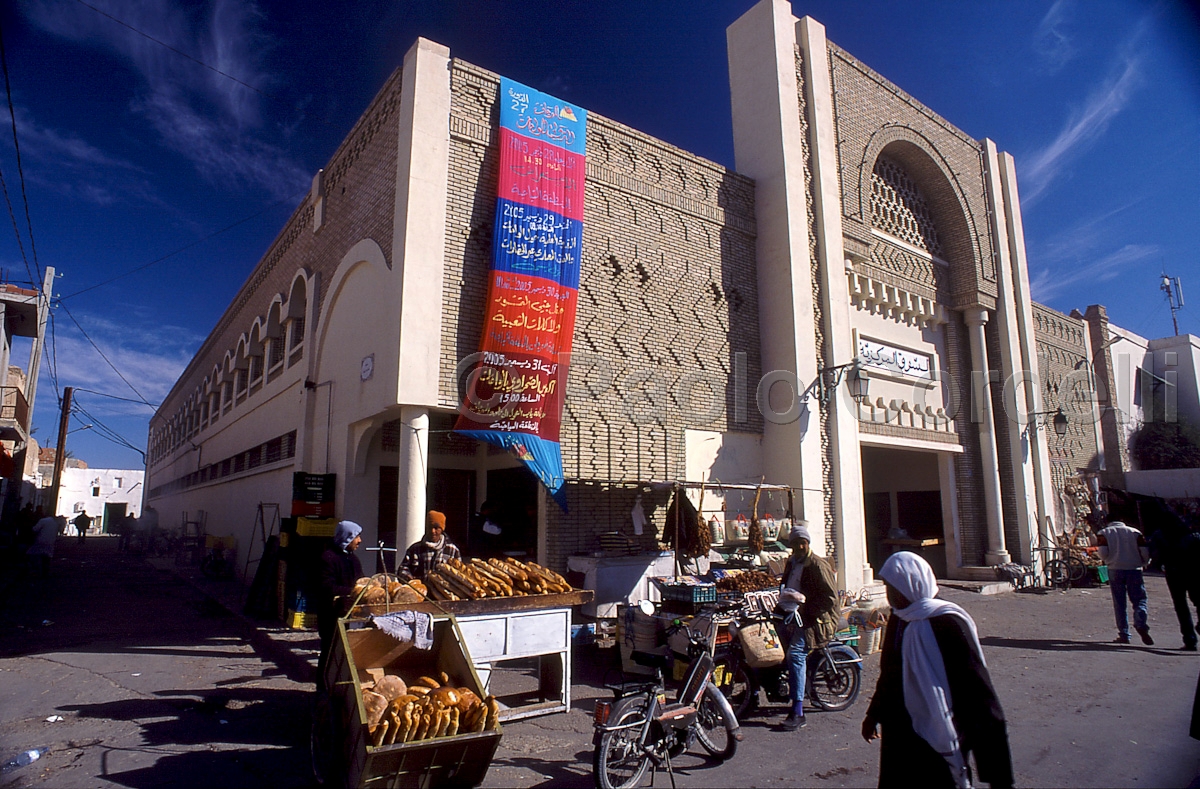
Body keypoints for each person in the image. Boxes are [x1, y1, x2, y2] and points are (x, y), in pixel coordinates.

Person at [862, 552, 1013, 788]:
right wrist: (874, 714)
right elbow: (890, 673)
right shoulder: (900, 619)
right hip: (901, 733)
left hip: (938, 733)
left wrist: (998, 775)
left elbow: (979, 696)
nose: (889, 596)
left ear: (911, 585)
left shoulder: (947, 622)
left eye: (893, 589)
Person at [776, 521, 839, 732]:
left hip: (815, 619)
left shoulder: (818, 565)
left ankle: (798, 711)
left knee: (795, 655)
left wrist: (804, 610)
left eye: (801, 543)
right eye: (794, 544)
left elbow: (829, 599)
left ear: (807, 543)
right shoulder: (792, 562)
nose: (798, 548)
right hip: (792, 614)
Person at [316, 520, 364, 691]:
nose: (359, 541)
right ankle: (324, 690)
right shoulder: (328, 558)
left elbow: (360, 580)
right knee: (330, 653)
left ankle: (342, 689)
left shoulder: (353, 559)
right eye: (356, 537)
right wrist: (352, 591)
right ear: (347, 537)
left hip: (350, 615)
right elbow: (326, 587)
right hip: (331, 616)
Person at [1097, 519, 1153, 645]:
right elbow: (1145, 551)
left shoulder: (1104, 533)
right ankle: (1140, 623)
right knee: (1139, 599)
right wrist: (1143, 563)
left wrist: (1108, 560)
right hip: (1134, 569)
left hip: (1115, 569)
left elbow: (1103, 553)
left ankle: (1124, 633)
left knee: (1119, 602)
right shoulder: (1135, 532)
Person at [1149, 516, 1200, 651]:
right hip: (1194, 572)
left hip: (1173, 573)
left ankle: (1190, 639)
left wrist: (1159, 566)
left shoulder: (1160, 535)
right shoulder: (1191, 534)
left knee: (1181, 606)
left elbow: (1156, 554)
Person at [400, 510, 461, 581]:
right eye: (429, 527)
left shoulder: (452, 550)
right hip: (419, 590)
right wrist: (408, 577)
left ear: (442, 529)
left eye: (436, 528)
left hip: (443, 591)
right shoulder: (415, 549)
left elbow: (459, 575)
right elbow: (403, 569)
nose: (432, 531)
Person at [27, 513, 63, 578]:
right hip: (51, 541)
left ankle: (36, 571)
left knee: (35, 555)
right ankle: (45, 572)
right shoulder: (55, 523)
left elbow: (35, 529)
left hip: (40, 540)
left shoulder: (42, 520)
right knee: (47, 557)